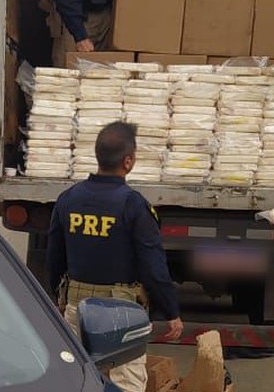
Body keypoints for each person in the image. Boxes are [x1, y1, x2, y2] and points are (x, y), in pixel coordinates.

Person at [46, 121, 182, 392]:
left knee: (77, 381)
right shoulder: (134, 205)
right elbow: (153, 266)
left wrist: (58, 299)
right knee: (126, 383)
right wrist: (171, 312)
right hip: (122, 315)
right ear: (128, 161)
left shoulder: (68, 199)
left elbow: (54, 258)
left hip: (77, 309)